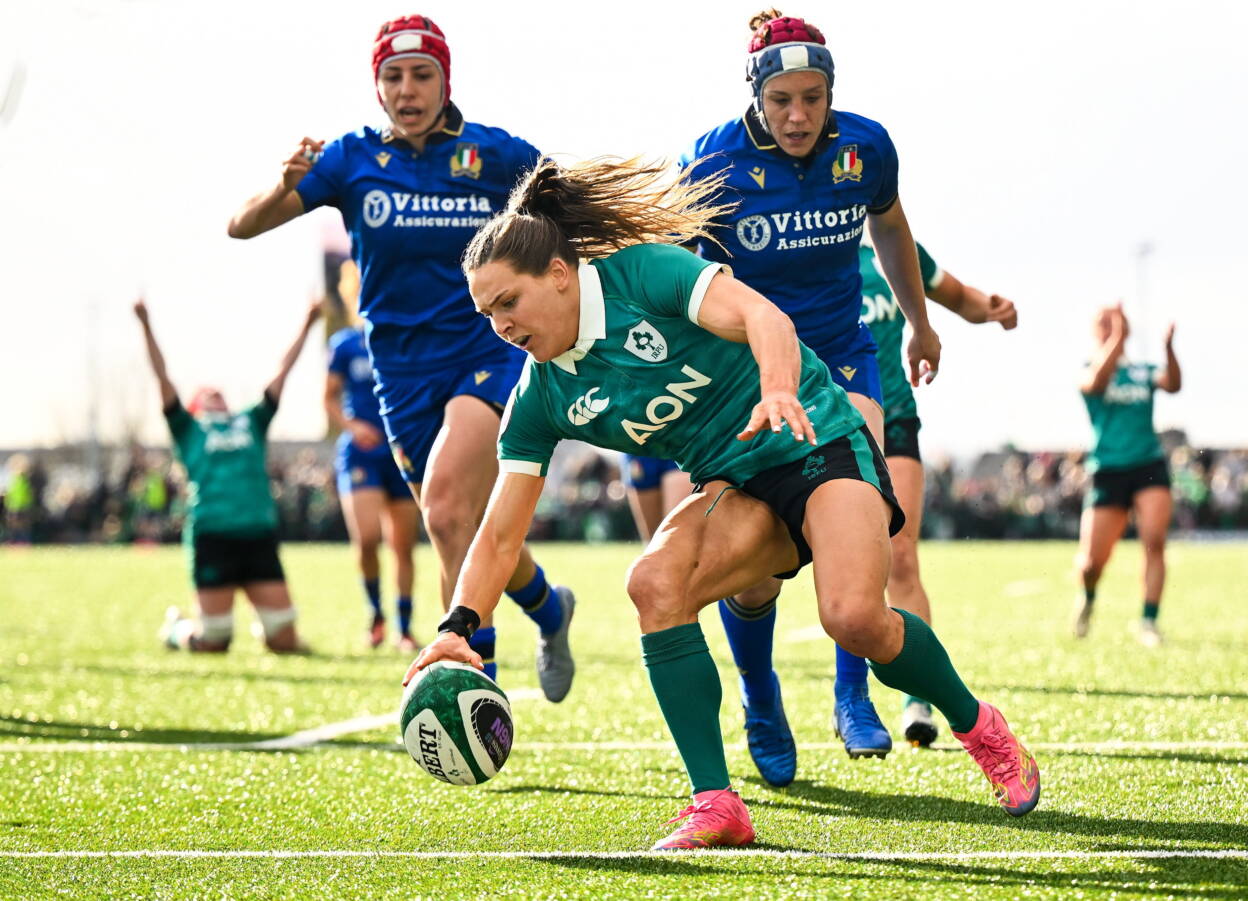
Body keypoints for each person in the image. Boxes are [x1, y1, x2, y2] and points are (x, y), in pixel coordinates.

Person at [406, 156, 1040, 851]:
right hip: (736, 485)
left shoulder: (644, 274)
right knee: (653, 582)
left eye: (507, 302)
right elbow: (499, 534)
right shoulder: (538, 398)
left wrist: (776, 390)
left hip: (814, 440)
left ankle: (979, 725)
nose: (498, 324)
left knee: (855, 618)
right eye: (485, 311)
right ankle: (716, 801)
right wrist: (458, 625)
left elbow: (761, 314)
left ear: (559, 275)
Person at [228, 15, 574, 698]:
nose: (408, 89)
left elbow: (571, 204)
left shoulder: (496, 155)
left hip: (486, 347)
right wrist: (281, 184)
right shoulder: (350, 160)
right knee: (463, 523)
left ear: (447, 80)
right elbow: (242, 226)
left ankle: (475, 674)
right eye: (393, 75)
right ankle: (549, 605)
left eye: (422, 74)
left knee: (444, 508)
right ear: (376, 85)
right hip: (398, 370)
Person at [621, 239, 1019, 759]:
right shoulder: (760, 225)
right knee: (755, 582)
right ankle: (759, 695)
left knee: (886, 554)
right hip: (769, 398)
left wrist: (983, 310)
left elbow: (950, 292)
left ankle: (858, 697)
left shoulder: (892, 251)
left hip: (872, 404)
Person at [674, 8, 942, 775]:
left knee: (856, 526)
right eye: (782, 99)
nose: (798, 115)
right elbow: (680, 278)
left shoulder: (867, 146)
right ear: (755, 94)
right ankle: (760, 695)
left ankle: (852, 691)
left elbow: (892, 231)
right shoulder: (710, 162)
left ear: (831, 93)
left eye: (813, 98)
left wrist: (919, 324)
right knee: (755, 564)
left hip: (845, 359)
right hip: (748, 372)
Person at [134, 298, 319, 653]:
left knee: (284, 641)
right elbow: (162, 375)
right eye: (205, 393)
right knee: (213, 641)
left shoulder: (251, 420)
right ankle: (177, 629)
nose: (213, 391)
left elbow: (282, 371)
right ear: (195, 405)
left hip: (256, 534)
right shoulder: (188, 429)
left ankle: (266, 622)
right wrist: (145, 322)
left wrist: (308, 323)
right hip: (213, 536)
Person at [325, 260, 422, 650]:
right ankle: (375, 613)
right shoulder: (345, 345)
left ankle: (403, 627)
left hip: (400, 450)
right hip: (361, 454)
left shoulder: (402, 340)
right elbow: (327, 398)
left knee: (402, 545)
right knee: (366, 540)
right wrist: (352, 426)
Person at [1073, 304, 1180, 647]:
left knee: (1154, 539)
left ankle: (1148, 620)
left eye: (1114, 323)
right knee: (1091, 563)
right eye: (1103, 323)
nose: (1109, 327)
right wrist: (1117, 338)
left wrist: (1168, 350)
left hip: (1148, 465)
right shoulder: (1089, 369)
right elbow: (1095, 383)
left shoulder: (1142, 371)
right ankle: (1088, 598)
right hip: (1108, 469)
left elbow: (1173, 384)